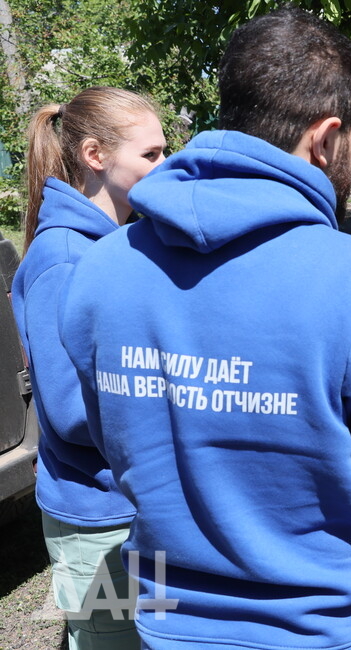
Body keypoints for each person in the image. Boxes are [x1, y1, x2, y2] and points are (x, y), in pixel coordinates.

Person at [58, 8, 351, 650]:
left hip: (168, 624)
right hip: (322, 629)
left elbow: (120, 443)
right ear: (327, 138)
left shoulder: (101, 270)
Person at [12, 86, 166, 649]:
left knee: (143, 637)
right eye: (150, 155)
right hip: (98, 521)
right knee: (113, 643)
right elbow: (72, 411)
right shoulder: (63, 260)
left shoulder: (116, 244)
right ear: (95, 156)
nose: (165, 166)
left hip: (133, 509)